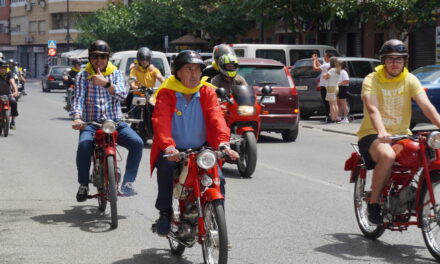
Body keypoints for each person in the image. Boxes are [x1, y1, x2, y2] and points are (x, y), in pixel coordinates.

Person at [150, 50, 239, 236]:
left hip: (202, 149)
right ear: (178, 72)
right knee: (165, 170)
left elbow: (217, 118)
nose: (194, 74)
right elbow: (161, 121)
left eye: (197, 69)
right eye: (188, 69)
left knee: (218, 179)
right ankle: (165, 212)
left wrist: (224, 144)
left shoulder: (206, 91)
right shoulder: (167, 92)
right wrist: (168, 146)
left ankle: (215, 218)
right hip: (173, 150)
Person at [357, 39, 440, 225]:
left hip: (402, 133)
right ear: (383, 61)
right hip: (373, 134)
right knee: (387, 156)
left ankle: (410, 195)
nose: (395, 63)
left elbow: (427, 106)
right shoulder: (372, 79)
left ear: (405, 62)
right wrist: (381, 131)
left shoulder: (410, 79)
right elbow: (372, 109)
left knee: (428, 154)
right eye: (390, 59)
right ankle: (373, 202)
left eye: (399, 59)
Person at [70, 40, 144, 200]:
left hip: (115, 123)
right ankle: (83, 184)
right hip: (91, 124)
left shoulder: (115, 73)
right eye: (95, 56)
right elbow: (78, 99)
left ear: (107, 58)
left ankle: (128, 183)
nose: (99, 60)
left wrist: (106, 84)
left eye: (102, 57)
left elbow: (123, 95)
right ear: (90, 58)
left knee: (137, 143)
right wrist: (77, 118)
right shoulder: (83, 76)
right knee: (83, 146)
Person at [126, 47, 165, 116]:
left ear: (149, 59)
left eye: (146, 59)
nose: (144, 61)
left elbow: (160, 78)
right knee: (133, 111)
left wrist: (166, 85)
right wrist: (133, 86)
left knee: (157, 110)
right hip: (138, 94)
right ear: (138, 60)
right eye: (142, 59)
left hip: (150, 95)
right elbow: (131, 79)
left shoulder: (154, 70)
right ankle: (134, 123)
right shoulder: (134, 69)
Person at [312, 52, 331, 122]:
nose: (324, 58)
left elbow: (315, 68)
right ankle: (329, 116)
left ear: (328, 58)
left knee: (326, 102)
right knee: (328, 102)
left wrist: (314, 60)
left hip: (325, 86)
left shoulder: (326, 65)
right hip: (327, 85)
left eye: (325, 57)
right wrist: (316, 60)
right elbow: (321, 67)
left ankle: (327, 116)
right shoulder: (328, 65)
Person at [0, 59, 19, 129]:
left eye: (4, 68)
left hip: (8, 94)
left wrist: (16, 91)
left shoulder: (9, 73)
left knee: (14, 102)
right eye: (1, 67)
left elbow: (13, 83)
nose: (3, 69)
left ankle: (13, 122)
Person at [323, 57, 341, 123]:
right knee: (335, 103)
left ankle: (333, 119)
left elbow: (325, 76)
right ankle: (336, 117)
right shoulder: (338, 70)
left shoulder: (331, 70)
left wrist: (325, 72)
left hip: (330, 87)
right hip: (336, 86)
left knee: (331, 104)